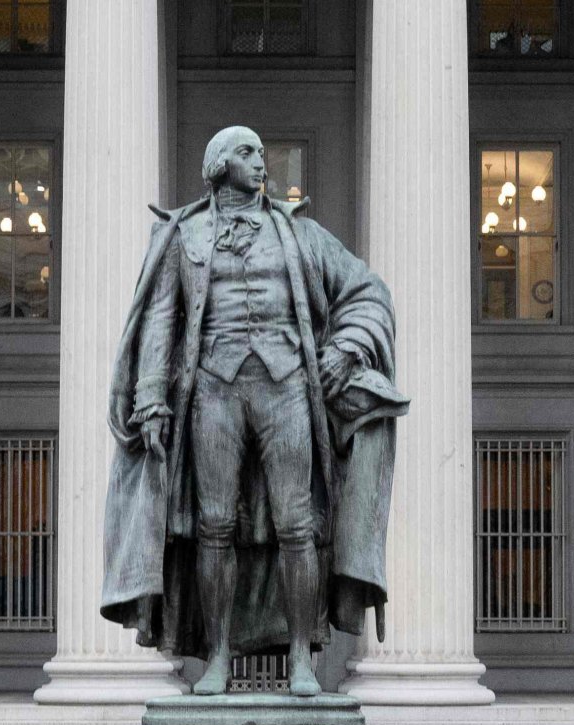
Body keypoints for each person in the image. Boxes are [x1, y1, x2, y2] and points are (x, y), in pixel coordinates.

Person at [97, 127, 402, 694]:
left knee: (297, 526)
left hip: (287, 386)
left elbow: (368, 290)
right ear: (217, 164)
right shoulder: (182, 236)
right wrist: (150, 399)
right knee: (214, 527)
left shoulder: (301, 234)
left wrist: (345, 348)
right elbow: (162, 320)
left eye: (262, 154)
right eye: (247, 153)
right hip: (213, 387)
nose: (261, 162)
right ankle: (216, 657)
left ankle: (301, 659)